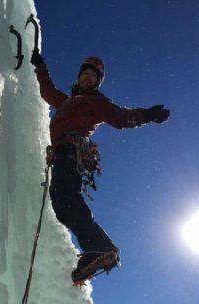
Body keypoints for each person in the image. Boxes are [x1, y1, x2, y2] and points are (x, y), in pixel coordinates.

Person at [31, 53, 170, 284]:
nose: (87, 78)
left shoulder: (96, 101)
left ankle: (100, 247)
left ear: (97, 82)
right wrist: (40, 66)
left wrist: (146, 115)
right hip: (62, 155)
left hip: (70, 152)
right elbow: (47, 92)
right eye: (84, 74)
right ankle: (102, 250)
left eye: (92, 76)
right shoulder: (67, 101)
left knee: (67, 198)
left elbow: (119, 117)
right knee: (62, 204)